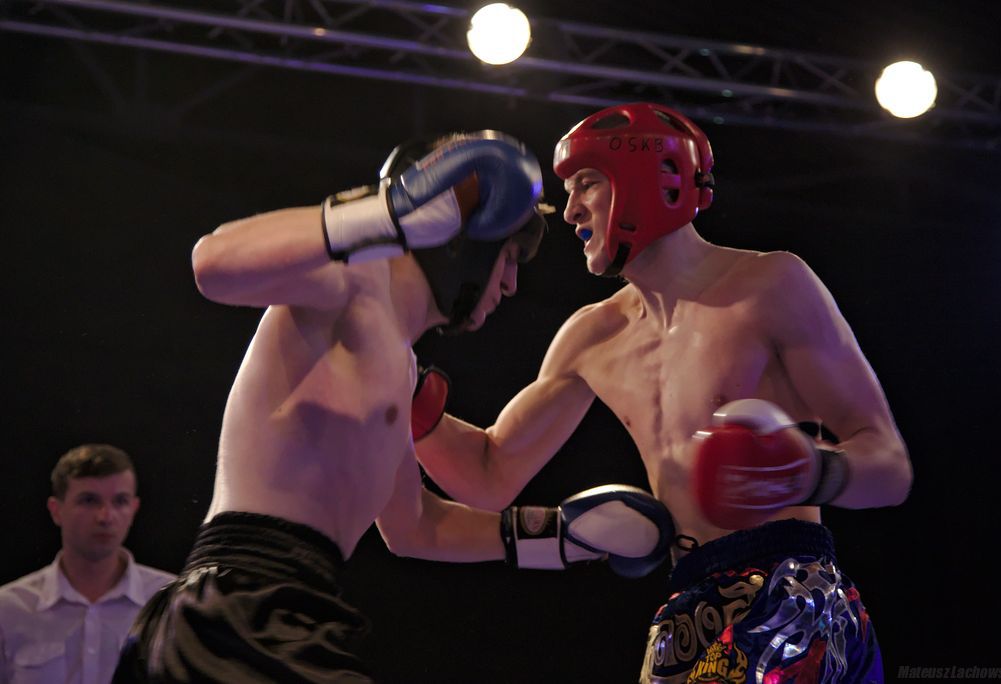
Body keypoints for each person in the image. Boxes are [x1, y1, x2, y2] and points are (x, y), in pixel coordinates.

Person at [112, 131, 675, 683]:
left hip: (282, 610)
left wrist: (560, 538)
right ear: (462, 241)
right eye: (508, 257)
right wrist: (391, 212)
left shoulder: (400, 366)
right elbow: (213, 263)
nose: (509, 285)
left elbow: (415, 527)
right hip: (239, 606)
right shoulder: (354, 281)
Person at [412, 103, 913, 683]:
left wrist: (808, 472)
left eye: (586, 183)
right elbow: (488, 472)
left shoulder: (769, 285)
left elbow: (890, 468)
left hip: (792, 594)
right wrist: (406, 394)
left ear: (649, 178)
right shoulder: (592, 335)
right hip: (688, 605)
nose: (570, 210)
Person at [0, 444, 175, 684]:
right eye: (89, 500)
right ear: (56, 510)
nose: (105, 516)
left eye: (120, 501)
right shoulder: (9, 609)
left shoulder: (169, 603)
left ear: (134, 509)